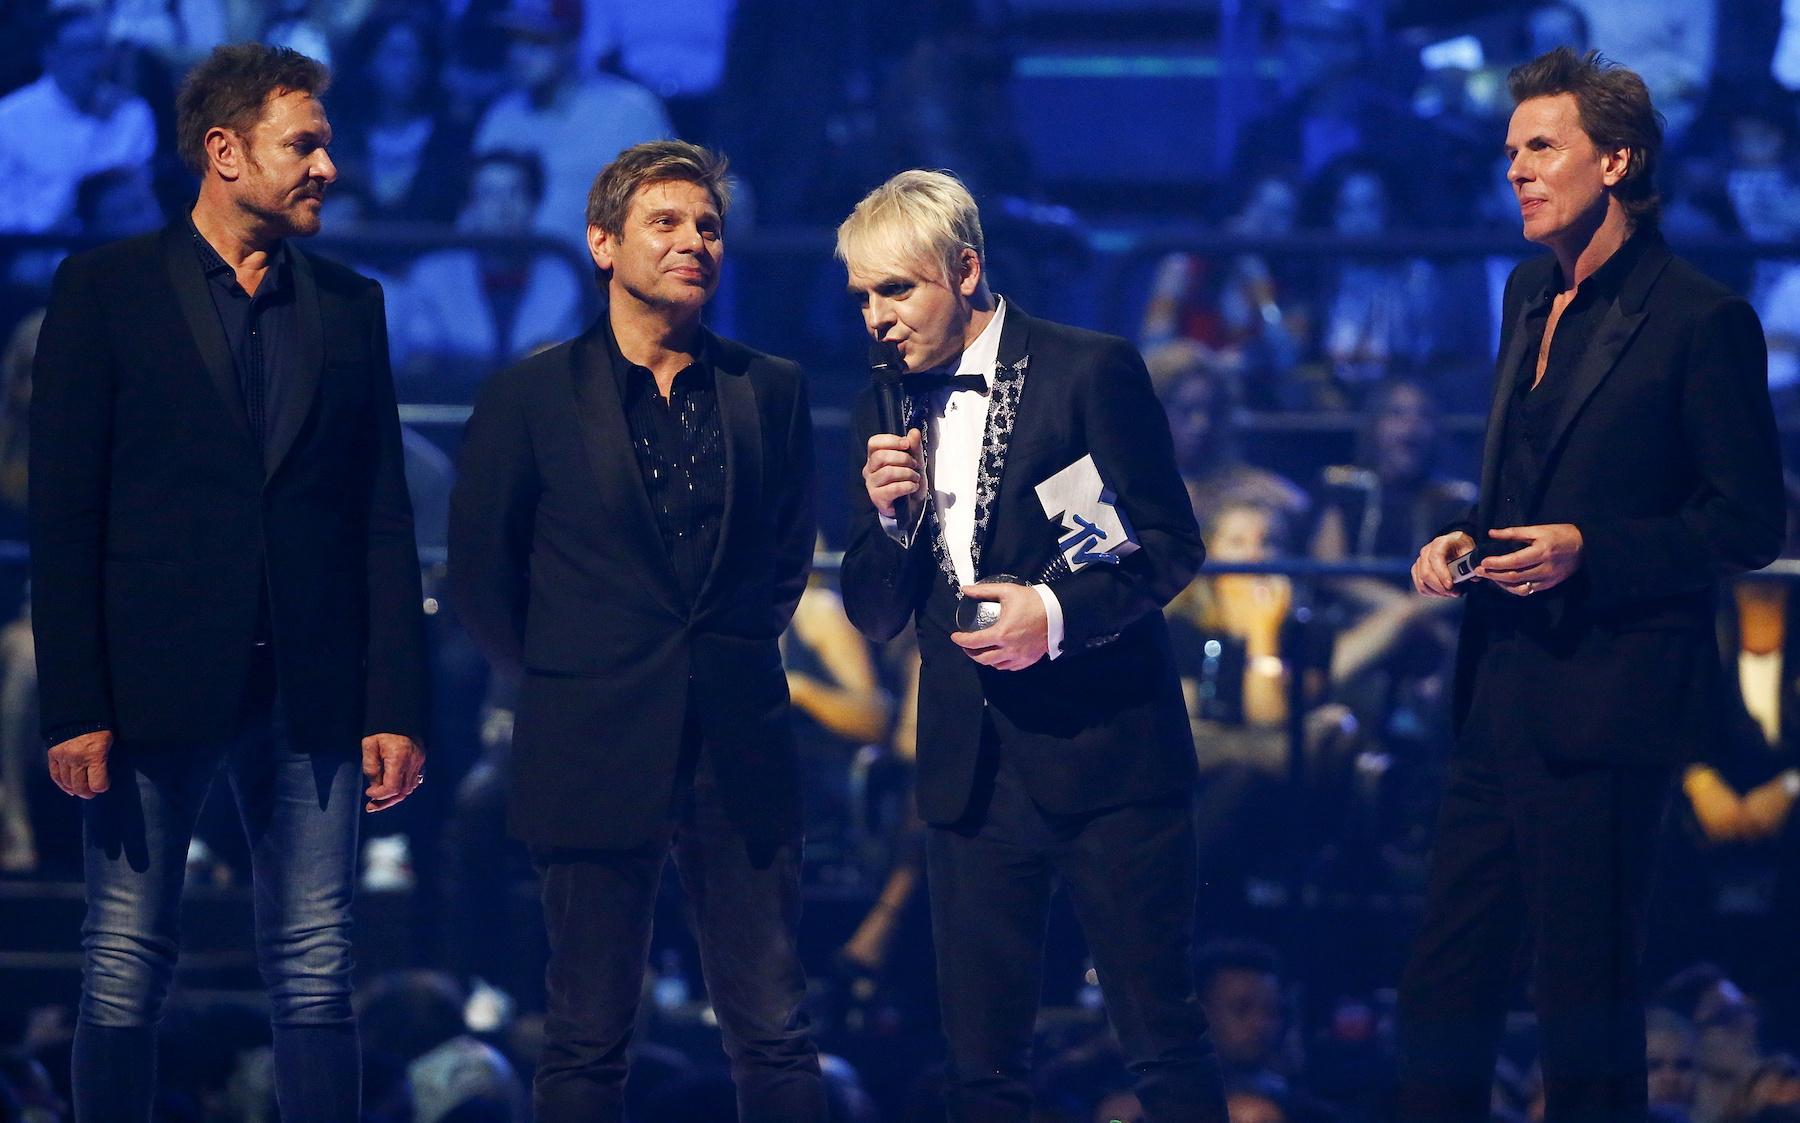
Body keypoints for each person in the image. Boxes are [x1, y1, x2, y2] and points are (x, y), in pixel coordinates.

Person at [29, 42, 429, 1123]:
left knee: (317, 965)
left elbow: (382, 514)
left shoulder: (349, 303)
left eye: (327, 146)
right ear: (225, 152)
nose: (328, 167)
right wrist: (74, 701)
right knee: (123, 959)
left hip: (311, 682)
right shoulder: (104, 290)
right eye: (305, 145)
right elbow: (65, 516)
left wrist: (393, 700)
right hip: (149, 681)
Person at [1399, 47, 1785, 1123]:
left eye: (1540, 147)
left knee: (1582, 1004)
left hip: (1610, 700)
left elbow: (1748, 521)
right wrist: (1465, 535)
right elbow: (1530, 475)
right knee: (1442, 991)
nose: (1515, 171)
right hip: (1498, 691)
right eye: (1509, 151)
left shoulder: (1700, 318)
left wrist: (1590, 549)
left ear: (1617, 160)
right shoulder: (1528, 292)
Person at [448, 140, 824, 1123]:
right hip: (590, 732)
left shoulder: (771, 388)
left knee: (775, 1026)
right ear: (602, 242)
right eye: (667, 222)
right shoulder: (529, 396)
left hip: (737, 736)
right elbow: (483, 579)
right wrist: (575, 670)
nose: (695, 240)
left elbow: (785, 559)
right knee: (587, 1030)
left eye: (708, 226)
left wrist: (723, 657)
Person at [837, 169, 1225, 1122]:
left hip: (1108, 753)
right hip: (971, 771)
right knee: (980, 1065)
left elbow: (1166, 545)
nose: (878, 319)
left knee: (1160, 1040)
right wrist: (890, 521)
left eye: (897, 289)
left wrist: (1049, 614)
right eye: (863, 297)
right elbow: (876, 614)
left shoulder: (1086, 369)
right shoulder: (881, 403)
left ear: (966, 269)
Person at [471, 0, 672, 253]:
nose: (519, 55)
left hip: (604, 271)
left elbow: (668, 206)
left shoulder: (630, 111)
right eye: (515, 40)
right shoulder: (501, 115)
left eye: (537, 41)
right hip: (517, 270)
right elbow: (474, 213)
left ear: (571, 43)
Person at [0, 9, 156, 234]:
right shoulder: (8, 120)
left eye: (99, 49)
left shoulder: (131, 114)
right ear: (50, 56)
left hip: (113, 242)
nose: (94, 62)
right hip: (36, 243)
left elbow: (136, 198)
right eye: (81, 51)